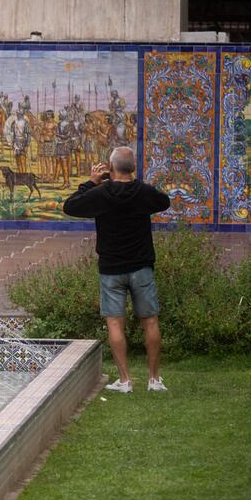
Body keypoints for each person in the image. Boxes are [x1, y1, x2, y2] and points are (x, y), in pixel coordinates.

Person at [63, 147, 172, 393]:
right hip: (141, 266)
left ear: (110, 169)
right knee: (150, 320)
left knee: (114, 323)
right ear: (133, 168)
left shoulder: (101, 193)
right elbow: (164, 201)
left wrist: (91, 182)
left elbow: (70, 206)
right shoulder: (143, 193)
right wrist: (138, 185)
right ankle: (154, 380)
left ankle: (125, 381)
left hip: (111, 268)